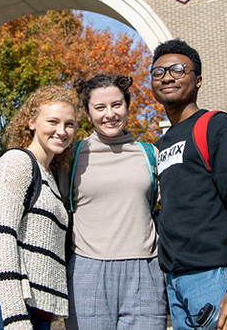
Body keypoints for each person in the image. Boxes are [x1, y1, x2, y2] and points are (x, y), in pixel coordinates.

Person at [150, 39, 227, 330]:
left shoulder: (218, 127)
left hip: (216, 279)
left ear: (198, 80)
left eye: (178, 69)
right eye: (158, 71)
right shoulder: (161, 144)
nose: (167, 76)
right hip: (175, 282)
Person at [0, 84, 78, 330]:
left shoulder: (50, 175)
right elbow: (2, 238)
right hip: (4, 299)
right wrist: (15, 316)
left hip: (36, 305)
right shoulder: (17, 162)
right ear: (31, 123)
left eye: (69, 124)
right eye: (53, 122)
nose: (62, 131)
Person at [61, 74, 167, 330]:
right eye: (100, 107)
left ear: (127, 106)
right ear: (88, 113)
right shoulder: (72, 156)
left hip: (146, 271)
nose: (110, 114)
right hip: (88, 271)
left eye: (116, 105)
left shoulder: (149, 154)